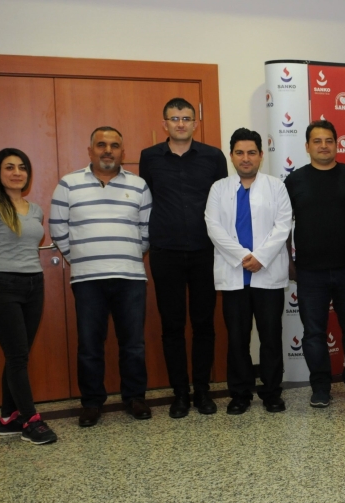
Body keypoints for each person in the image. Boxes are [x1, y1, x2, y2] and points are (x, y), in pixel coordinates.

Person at [50, 127, 153, 427]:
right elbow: (57, 228)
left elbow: (147, 231)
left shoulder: (139, 185)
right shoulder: (68, 184)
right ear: (90, 150)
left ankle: (135, 398)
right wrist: (80, 258)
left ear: (123, 151)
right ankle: (92, 403)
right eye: (101, 145)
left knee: (133, 344)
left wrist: (127, 253)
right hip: (87, 279)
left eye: (115, 145)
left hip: (130, 277)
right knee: (89, 345)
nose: (108, 150)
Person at [139, 98, 228, 418]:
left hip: (206, 251)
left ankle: (202, 390)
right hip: (165, 252)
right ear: (164, 124)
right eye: (174, 119)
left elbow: (223, 202)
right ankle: (179, 394)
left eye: (186, 118)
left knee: (204, 324)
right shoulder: (149, 157)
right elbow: (148, 200)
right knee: (172, 325)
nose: (180, 123)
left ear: (195, 123)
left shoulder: (213, 157)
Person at [0, 148, 57, 445]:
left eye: (22, 167)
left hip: (34, 284)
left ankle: (8, 418)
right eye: (9, 167)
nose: (17, 172)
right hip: (1, 286)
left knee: (17, 355)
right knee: (17, 356)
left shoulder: (35, 210)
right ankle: (31, 420)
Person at [205, 128, 292, 415]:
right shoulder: (219, 188)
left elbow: (283, 225)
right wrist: (244, 257)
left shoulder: (276, 187)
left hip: (268, 274)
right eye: (240, 153)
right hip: (234, 274)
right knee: (237, 338)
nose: (246, 158)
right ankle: (240, 394)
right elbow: (213, 227)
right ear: (231, 156)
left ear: (261, 155)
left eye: (251, 152)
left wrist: (261, 258)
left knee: (271, 337)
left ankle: (271, 392)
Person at [285, 121, 345, 408]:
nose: (324, 146)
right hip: (310, 272)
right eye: (317, 141)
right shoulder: (294, 180)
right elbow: (282, 225)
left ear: (336, 144)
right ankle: (320, 387)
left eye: (329, 140)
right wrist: (289, 261)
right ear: (307, 146)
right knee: (313, 334)